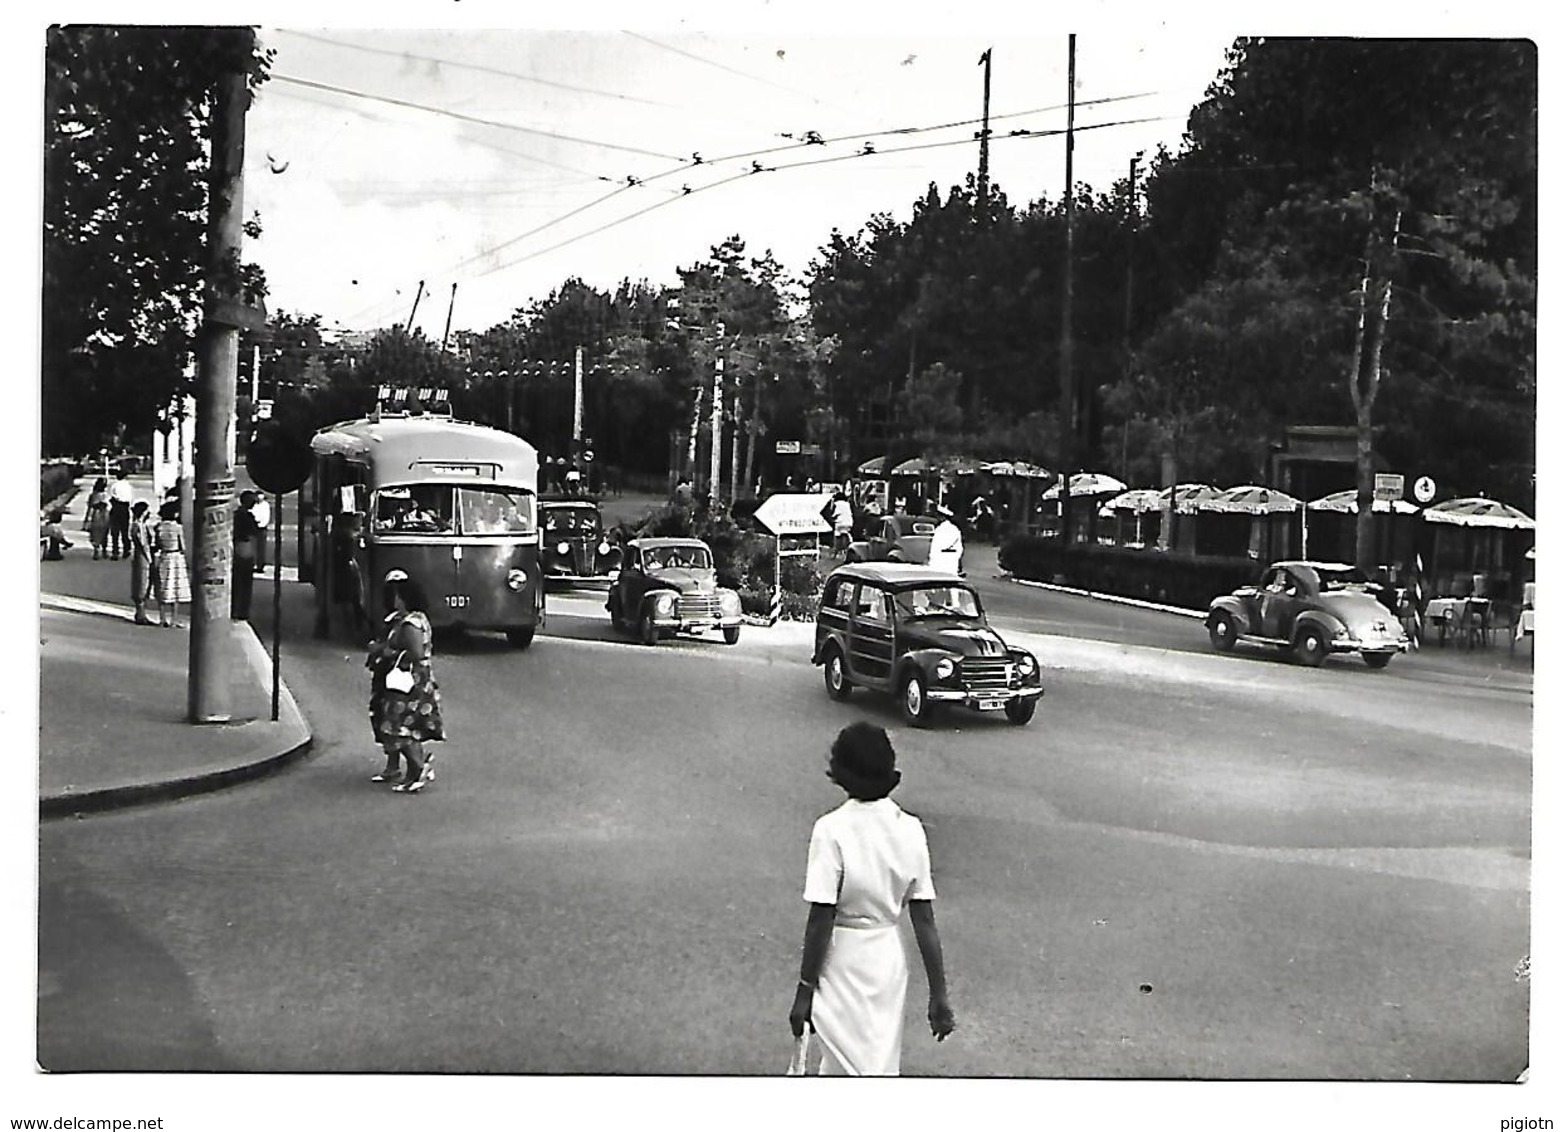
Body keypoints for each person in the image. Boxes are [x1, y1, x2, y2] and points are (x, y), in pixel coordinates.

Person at [789, 722, 955, 1075]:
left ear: (842, 772)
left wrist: (805, 990)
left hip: (841, 961)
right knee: (876, 1064)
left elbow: (821, 920)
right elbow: (924, 919)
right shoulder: (910, 828)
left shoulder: (830, 829)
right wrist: (938, 994)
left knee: (843, 1065)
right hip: (886, 962)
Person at [365, 569, 446, 793]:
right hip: (413, 682)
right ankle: (414, 773)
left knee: (400, 727)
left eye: (399, 596)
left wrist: (385, 651)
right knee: (408, 727)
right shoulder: (412, 620)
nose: (395, 600)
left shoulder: (411, 624)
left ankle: (417, 767)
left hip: (408, 683)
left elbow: (415, 653)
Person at [152, 499, 192, 628]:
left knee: (163, 587)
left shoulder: (159, 527)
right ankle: (174, 619)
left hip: (164, 556)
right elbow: (182, 546)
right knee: (176, 588)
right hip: (176, 557)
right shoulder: (177, 528)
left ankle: (162, 618)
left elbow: (157, 544)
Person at [232, 491, 261, 620]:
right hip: (246, 550)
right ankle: (243, 611)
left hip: (235, 549)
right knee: (245, 584)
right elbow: (254, 534)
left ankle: (234, 608)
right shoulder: (249, 518)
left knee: (236, 583)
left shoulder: (235, 515)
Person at [128, 501, 155, 624]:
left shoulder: (137, 525)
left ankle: (141, 613)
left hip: (139, 556)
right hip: (142, 556)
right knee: (142, 583)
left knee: (140, 582)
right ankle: (140, 614)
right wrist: (150, 558)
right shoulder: (139, 526)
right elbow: (143, 544)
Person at [928, 505, 964, 575]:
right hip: (946, 560)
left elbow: (941, 546)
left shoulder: (948, 529)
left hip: (944, 560)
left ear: (943, 517)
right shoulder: (944, 528)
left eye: (938, 516)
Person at [108, 469, 135, 560]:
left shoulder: (114, 485)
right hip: (125, 508)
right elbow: (130, 498)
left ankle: (115, 551)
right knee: (125, 530)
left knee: (115, 531)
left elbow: (112, 496)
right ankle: (126, 549)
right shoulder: (128, 486)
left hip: (116, 507)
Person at [84, 478, 111, 559]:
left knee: (95, 533)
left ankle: (96, 550)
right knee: (104, 532)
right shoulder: (106, 495)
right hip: (105, 515)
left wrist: (87, 519)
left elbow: (90, 507)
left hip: (96, 515)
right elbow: (109, 505)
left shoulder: (93, 495)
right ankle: (104, 551)